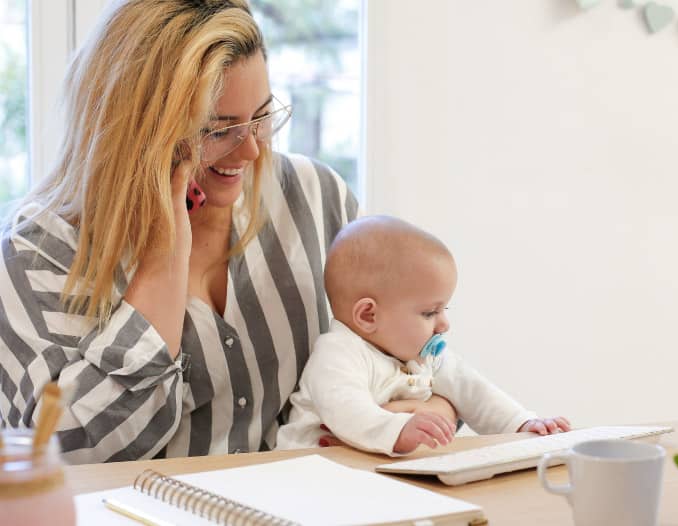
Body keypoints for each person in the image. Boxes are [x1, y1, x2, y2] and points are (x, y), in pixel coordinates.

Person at [0, 0, 456, 464]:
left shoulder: (315, 199)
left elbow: (419, 358)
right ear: (135, 133)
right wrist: (162, 263)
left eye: (260, 117)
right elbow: (54, 458)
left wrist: (423, 408)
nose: (253, 152)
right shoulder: (35, 254)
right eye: (218, 131)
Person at [276, 216, 571, 455]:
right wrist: (399, 428)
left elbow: (473, 390)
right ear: (368, 316)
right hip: (308, 474)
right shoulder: (337, 353)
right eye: (430, 313)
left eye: (444, 309)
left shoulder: (423, 354)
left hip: (371, 472)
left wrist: (521, 424)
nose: (444, 324)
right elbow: (347, 410)